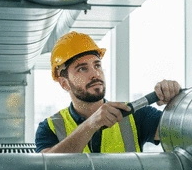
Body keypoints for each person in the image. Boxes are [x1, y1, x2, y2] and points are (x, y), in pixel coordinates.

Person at [35, 31, 181, 154]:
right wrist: (91, 124)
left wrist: (177, 102)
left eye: (97, 65)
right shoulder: (50, 127)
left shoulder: (135, 115)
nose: (95, 74)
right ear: (64, 83)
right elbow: (45, 169)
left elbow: (185, 133)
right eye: (82, 68)